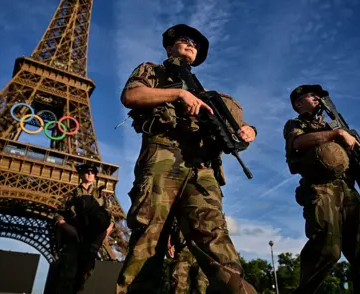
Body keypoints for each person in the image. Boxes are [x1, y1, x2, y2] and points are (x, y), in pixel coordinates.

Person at [116, 24, 258, 294]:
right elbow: (131, 95)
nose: (192, 44)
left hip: (202, 167)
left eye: (196, 44)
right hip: (162, 155)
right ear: (169, 47)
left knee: (215, 239)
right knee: (149, 238)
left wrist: (248, 130)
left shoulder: (202, 90)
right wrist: (178, 93)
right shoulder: (153, 70)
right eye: (185, 40)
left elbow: (228, 129)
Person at [283, 85, 360, 293]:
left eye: (318, 96)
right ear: (298, 104)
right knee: (327, 249)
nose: (317, 98)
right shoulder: (296, 124)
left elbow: (353, 164)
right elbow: (297, 142)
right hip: (321, 189)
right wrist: (335, 134)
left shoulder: (336, 126)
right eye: (311, 95)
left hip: (348, 190)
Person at [54, 163, 114, 293]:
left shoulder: (102, 197)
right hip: (73, 239)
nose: (90, 174)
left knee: (84, 276)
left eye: (93, 172)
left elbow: (111, 218)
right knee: (67, 275)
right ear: (81, 174)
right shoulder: (71, 195)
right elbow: (58, 214)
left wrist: (104, 235)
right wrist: (66, 226)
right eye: (87, 171)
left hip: (92, 239)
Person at [167, 220, 209, 294]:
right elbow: (168, 226)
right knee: (178, 286)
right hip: (181, 252)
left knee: (201, 286)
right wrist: (168, 246)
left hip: (203, 252)